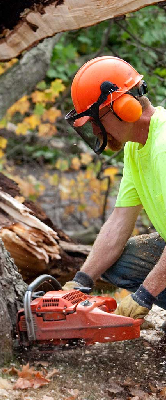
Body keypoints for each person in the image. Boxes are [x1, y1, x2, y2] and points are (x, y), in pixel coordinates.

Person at [63, 56, 166, 321]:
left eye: (96, 121)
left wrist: (145, 294)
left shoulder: (163, 146)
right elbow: (120, 220)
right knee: (121, 264)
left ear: (124, 107)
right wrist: (82, 281)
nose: (96, 131)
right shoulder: (135, 146)